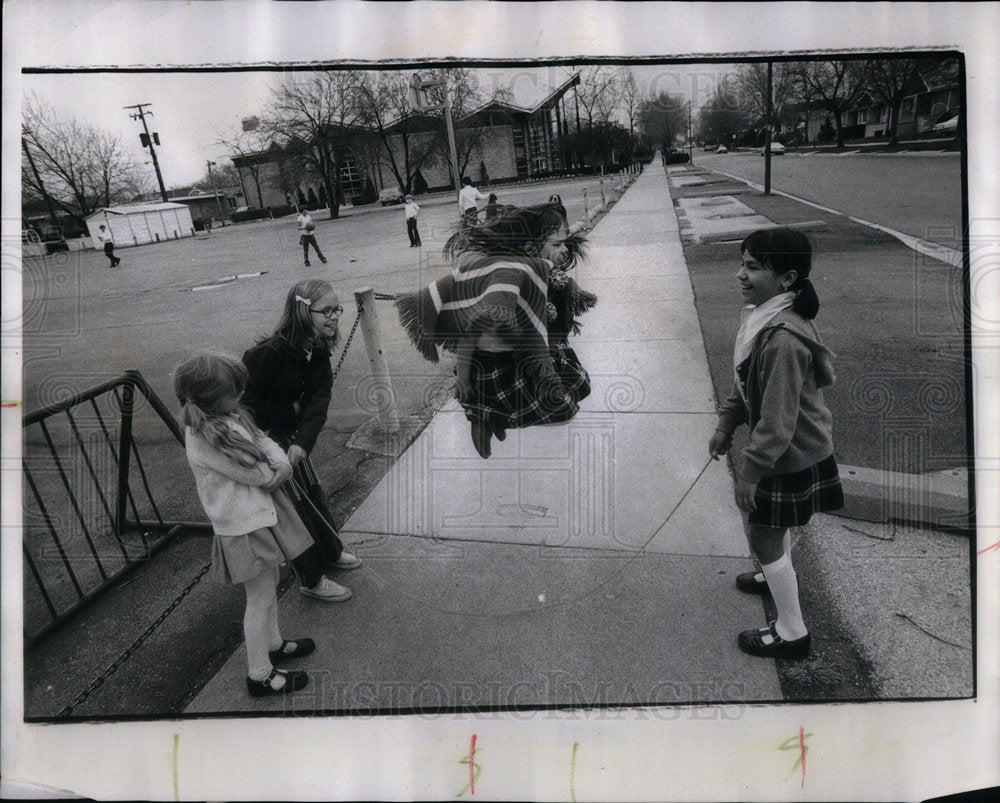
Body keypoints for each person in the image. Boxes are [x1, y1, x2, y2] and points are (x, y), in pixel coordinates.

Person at [709, 227, 844, 660]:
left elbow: (777, 421)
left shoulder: (782, 337)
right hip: (795, 448)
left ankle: (792, 632)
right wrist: (727, 423)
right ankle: (774, 577)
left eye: (752, 267)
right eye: (742, 264)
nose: (740, 275)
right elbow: (747, 383)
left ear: (786, 279)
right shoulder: (764, 318)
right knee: (777, 528)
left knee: (763, 536)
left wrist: (749, 474)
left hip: (788, 454)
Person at [174, 353, 315, 697]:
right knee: (260, 596)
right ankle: (260, 674)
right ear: (211, 400)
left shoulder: (228, 417)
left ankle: (274, 643)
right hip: (242, 527)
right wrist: (276, 468)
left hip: (255, 518)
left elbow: (264, 442)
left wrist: (280, 461)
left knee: (268, 586)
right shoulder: (207, 437)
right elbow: (256, 473)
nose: (241, 397)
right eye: (234, 392)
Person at [394, 202, 580, 459]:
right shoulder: (505, 278)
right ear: (530, 247)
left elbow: (539, 316)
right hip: (489, 362)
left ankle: (496, 420)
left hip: (517, 357)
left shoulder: (536, 272)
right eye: (557, 244)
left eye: (565, 242)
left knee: (563, 395)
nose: (565, 249)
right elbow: (469, 333)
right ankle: (483, 422)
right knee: (548, 404)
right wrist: (463, 376)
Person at [242, 279, 362, 602]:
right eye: (326, 311)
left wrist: (302, 443)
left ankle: (331, 551)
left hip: (294, 439)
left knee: (312, 494)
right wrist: (288, 414)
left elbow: (319, 399)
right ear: (303, 311)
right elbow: (244, 407)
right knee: (292, 514)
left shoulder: (318, 349)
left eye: (337, 309)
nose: (335, 316)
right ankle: (310, 578)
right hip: (265, 443)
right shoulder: (268, 354)